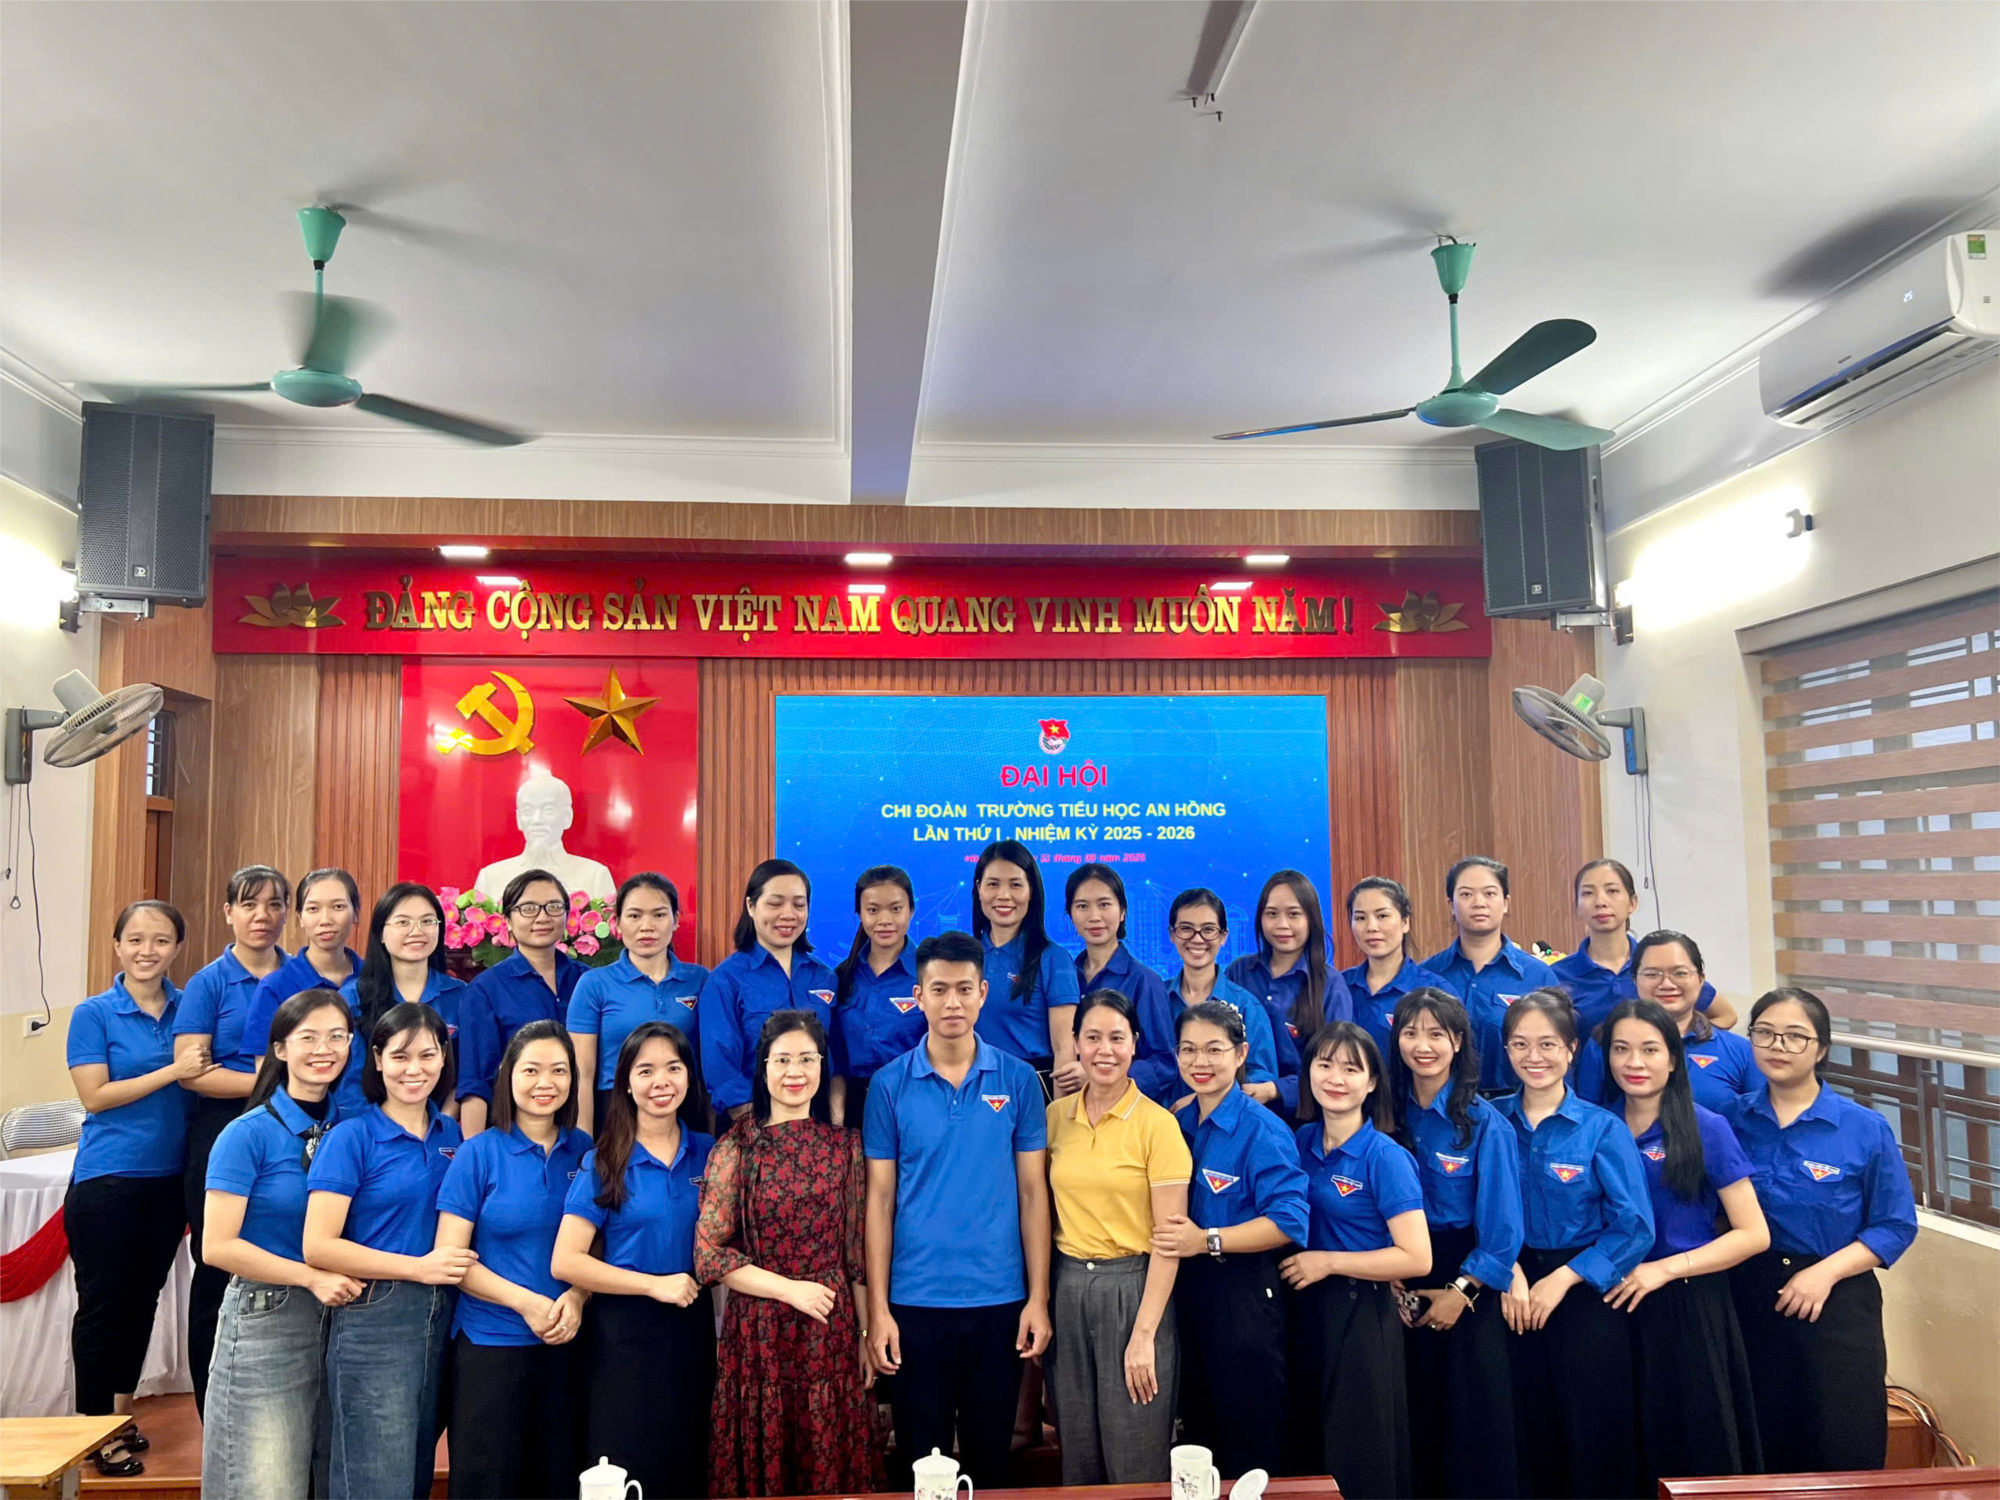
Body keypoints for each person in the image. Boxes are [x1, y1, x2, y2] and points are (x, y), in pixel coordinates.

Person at [863, 930, 1052, 1487]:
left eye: (964, 989)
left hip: (999, 1299)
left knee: (991, 1463)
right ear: (918, 995)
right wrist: (878, 1310)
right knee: (922, 1466)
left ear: (983, 993)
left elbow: (1033, 1194)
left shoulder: (1019, 1079)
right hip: (914, 1301)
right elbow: (879, 1200)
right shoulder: (888, 1085)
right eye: (939, 989)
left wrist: (1038, 1298)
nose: (952, 1002)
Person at [1721, 986, 1919, 1474]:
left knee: (1841, 1440)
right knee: (1758, 1443)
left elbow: (1895, 1224)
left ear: (1821, 1048)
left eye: (1795, 1036)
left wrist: (1824, 1274)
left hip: (1836, 1300)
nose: (1778, 1046)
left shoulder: (1863, 1127)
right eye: (1765, 1033)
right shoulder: (1730, 1121)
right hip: (1746, 1294)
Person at [695, 1011, 883, 1497]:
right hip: (759, 1331)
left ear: (822, 1066)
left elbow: (856, 1254)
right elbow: (710, 1255)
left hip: (830, 1327)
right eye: (782, 1060)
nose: (794, 1071)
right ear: (763, 1068)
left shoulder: (846, 1146)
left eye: (806, 1059)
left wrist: (864, 1335)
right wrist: (790, 1290)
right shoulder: (737, 1147)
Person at [304, 1003, 472, 1500]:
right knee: (376, 1476)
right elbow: (318, 1246)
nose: (414, 1069)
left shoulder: (452, 1135)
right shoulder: (351, 1137)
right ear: (377, 1060)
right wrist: (418, 1268)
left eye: (427, 1055)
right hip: (375, 1315)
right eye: (400, 1056)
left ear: (444, 1059)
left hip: (443, 1315)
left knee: (414, 1469)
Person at [201, 988, 364, 1500]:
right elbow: (217, 1246)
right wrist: (310, 1276)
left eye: (337, 1036)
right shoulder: (247, 1133)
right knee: (265, 1484)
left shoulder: (353, 1128)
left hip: (345, 1322)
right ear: (279, 1049)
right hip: (268, 1317)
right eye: (308, 1037)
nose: (324, 1049)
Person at [1599, 999, 1767, 1486]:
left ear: (1673, 1059)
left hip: (1688, 1304)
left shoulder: (1706, 1127)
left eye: (1650, 1049)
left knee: (1694, 1448)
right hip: (1612, 1303)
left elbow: (1753, 1234)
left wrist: (1666, 1269)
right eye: (1621, 1049)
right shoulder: (1596, 1126)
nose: (1634, 1062)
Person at [66, 899, 207, 1478]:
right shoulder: (94, 1013)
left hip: (169, 1183)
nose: (147, 951)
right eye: (136, 940)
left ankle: (119, 1416)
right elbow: (95, 1096)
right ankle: (92, 1429)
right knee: (103, 1307)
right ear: (117, 946)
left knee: (142, 1302)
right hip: (109, 1181)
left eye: (161, 940)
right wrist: (174, 1071)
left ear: (177, 948)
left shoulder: (190, 1008)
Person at [1495, 990, 1653, 1500]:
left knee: (1593, 1431)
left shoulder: (1602, 1128)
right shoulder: (1490, 1121)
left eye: (1547, 1044)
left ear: (1571, 1049)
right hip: (1510, 1288)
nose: (1534, 1056)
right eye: (1520, 1044)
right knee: (1521, 1426)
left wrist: (1564, 1279)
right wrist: (1508, 1269)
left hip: (1584, 1291)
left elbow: (1634, 1227)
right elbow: (1477, 1208)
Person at [553, 1023, 716, 1500]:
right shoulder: (605, 1159)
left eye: (673, 1067)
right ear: (624, 1081)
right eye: (645, 1070)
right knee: (626, 1464)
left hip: (691, 1326)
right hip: (622, 1334)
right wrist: (651, 1284)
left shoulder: (710, 1153)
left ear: (689, 1077)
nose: (660, 1081)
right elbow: (566, 1261)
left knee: (686, 1459)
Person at [1151, 1001, 1308, 1480]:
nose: (1200, 1061)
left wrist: (1208, 1240)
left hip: (1243, 1294)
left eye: (1214, 1049)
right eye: (1189, 1049)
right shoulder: (1177, 1121)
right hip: (1189, 1291)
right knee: (1197, 1436)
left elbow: (1288, 1221)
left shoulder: (1262, 1128)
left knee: (1248, 1440)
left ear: (1241, 1054)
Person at [435, 1020, 591, 1500]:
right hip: (491, 1345)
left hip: (567, 1344)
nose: (546, 1083)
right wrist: (525, 1303)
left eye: (559, 1070)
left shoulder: (585, 1151)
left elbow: (599, 1245)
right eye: (531, 1070)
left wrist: (578, 1296)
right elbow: (451, 1256)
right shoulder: (477, 1153)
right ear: (507, 1075)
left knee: (558, 1479)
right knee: (488, 1484)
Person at [1044, 990, 1190, 1484]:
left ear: (1135, 1044)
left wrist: (1144, 1334)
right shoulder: (1055, 1118)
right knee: (1077, 1454)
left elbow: (1170, 1242)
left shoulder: (1158, 1126)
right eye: (1092, 1038)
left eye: (1116, 1038)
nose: (1104, 1051)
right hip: (1067, 1287)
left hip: (1134, 1289)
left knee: (1135, 1456)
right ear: (1075, 1043)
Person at [1385, 988, 1523, 1500]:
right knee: (1409, 1416)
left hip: (1467, 1276)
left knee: (1470, 1422)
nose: (1422, 1046)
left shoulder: (1486, 1123)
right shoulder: (1385, 1114)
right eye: (1410, 1033)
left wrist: (1461, 1292)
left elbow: (1504, 1229)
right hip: (1396, 1272)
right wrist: (1390, 1277)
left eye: (1436, 1034)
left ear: (1458, 1041)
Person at [1282, 1022, 1430, 1500]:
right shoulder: (1298, 1142)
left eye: (1351, 1069)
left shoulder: (1385, 1156)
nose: (1335, 1079)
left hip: (1362, 1314)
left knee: (1359, 1455)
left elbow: (1417, 1257)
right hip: (1304, 1310)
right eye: (1324, 1065)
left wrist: (1329, 1262)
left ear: (1371, 1083)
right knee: (1307, 1450)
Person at [173, 863, 289, 1419]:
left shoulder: (300, 975)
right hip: (221, 1129)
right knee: (216, 1265)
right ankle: (210, 1408)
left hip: (290, 1132)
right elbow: (191, 1072)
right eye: (248, 904)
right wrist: (275, 1080)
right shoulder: (209, 983)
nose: (261, 916)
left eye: (273, 904)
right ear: (228, 912)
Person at [699, 859, 841, 1122]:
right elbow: (722, 1070)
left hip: (816, 1124)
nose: (788, 914)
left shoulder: (825, 977)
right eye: (775, 903)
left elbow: (835, 1056)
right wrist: (766, 1130)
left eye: (799, 904)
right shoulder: (726, 980)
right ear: (751, 906)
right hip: (751, 1124)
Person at [569, 872, 708, 1133]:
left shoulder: (700, 980)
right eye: (634, 916)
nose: (647, 926)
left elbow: (710, 1063)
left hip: (683, 1109)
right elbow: (582, 1074)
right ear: (617, 923)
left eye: (659, 915)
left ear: (676, 920)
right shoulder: (594, 984)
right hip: (616, 1113)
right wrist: (583, 1141)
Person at [457, 869, 587, 1137]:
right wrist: (473, 1151)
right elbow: (475, 1082)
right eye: (528, 908)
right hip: (513, 1134)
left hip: (583, 1130)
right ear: (507, 920)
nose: (542, 917)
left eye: (553, 907)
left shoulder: (588, 981)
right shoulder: (486, 989)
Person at [1573, 931, 1756, 1110]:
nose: (1667, 984)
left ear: (1701, 980)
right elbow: (1587, 1116)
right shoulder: (1603, 1044)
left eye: (1680, 973)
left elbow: (1758, 1118)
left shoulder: (1740, 1050)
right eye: (1652, 974)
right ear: (1635, 980)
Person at [1421, 858, 1559, 1094]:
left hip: (1518, 1106)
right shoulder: (1427, 975)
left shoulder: (1537, 976)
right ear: (1450, 904)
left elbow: (1558, 1052)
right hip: (1442, 1104)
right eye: (1466, 894)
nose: (1478, 903)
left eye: (1489, 893)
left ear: (1505, 903)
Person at [1551, 861, 1737, 1036]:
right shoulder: (1557, 975)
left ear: (1633, 903)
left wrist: (1679, 1043)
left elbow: (1726, 1015)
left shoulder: (1657, 961)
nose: (1600, 901)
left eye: (1612, 891)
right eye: (1588, 893)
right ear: (1577, 906)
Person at [1226, 869, 1353, 1115]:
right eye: (1271, 914)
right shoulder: (1238, 972)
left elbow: (1338, 1065)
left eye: (1294, 914)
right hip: (1239, 1111)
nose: (1282, 925)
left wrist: (1275, 1089)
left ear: (1311, 919)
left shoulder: (1331, 985)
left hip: (1306, 1117)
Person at [338, 883, 468, 1118]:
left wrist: (441, 1123)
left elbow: (467, 1075)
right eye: (403, 922)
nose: (416, 931)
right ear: (381, 934)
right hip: (369, 1126)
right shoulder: (352, 998)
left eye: (427, 921)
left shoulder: (461, 995)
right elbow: (349, 1084)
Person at [970, 839, 1081, 1093]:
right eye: (993, 884)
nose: (1003, 895)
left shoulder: (1053, 958)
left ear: (1031, 890)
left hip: (1033, 1091)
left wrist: (1058, 1113)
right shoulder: (965, 957)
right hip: (974, 1092)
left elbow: (1064, 1050)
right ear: (978, 888)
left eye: (1016, 885)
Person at [1068, 863, 1179, 1103]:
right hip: (1067, 1109)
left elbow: (1163, 1064)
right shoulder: (1063, 977)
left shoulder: (1145, 981)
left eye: (1104, 904)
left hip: (1126, 1110)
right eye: (1082, 906)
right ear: (1071, 915)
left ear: (1122, 912)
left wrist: (1099, 1074)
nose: (1094, 916)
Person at [1163, 888, 1280, 1106]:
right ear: (1172, 934)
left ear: (1223, 936)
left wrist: (1198, 1101)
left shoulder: (1246, 1006)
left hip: (1228, 1123)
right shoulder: (1157, 999)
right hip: (1161, 1120)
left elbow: (1259, 1082)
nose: (1197, 939)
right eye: (1186, 929)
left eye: (1208, 930)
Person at [238, 867, 363, 1062]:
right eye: (313, 909)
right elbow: (265, 1069)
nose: (325, 920)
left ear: (355, 913)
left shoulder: (376, 977)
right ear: (300, 917)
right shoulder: (274, 987)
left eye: (338, 907)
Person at [832, 865, 921, 1131]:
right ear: (859, 914)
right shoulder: (842, 976)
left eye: (895, 909)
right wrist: (837, 1121)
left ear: (911, 910)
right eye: (873, 910)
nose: (884, 920)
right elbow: (837, 1057)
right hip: (854, 1107)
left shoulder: (930, 974)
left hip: (915, 1103)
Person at [1343, 877, 1448, 1058]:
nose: (1371, 927)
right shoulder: (1338, 986)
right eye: (1360, 918)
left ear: (1405, 922)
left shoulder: (1435, 990)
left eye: (1382, 916)